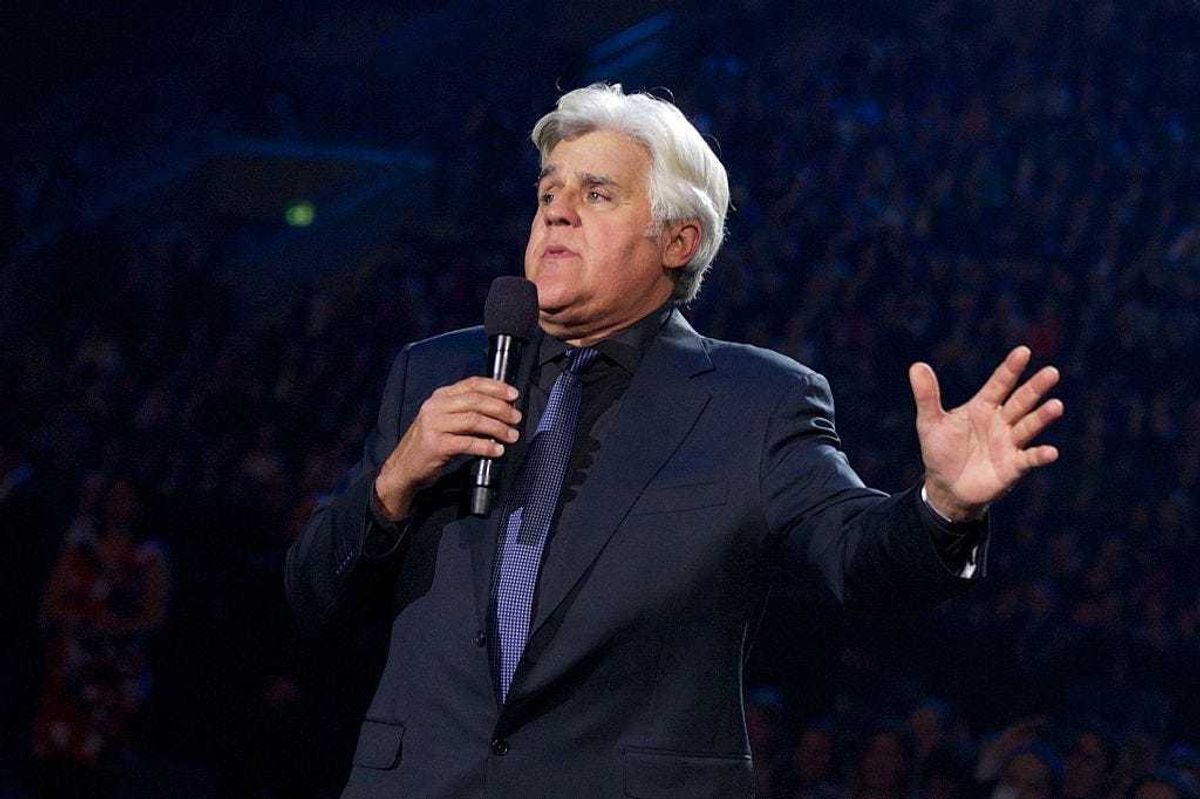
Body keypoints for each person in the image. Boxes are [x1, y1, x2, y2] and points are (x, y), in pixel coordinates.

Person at [286, 83, 1063, 798]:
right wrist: (392, 483)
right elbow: (312, 593)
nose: (556, 211)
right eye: (548, 192)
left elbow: (857, 556)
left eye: (597, 194)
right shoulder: (435, 371)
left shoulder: (755, 399)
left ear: (678, 239)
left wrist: (944, 506)